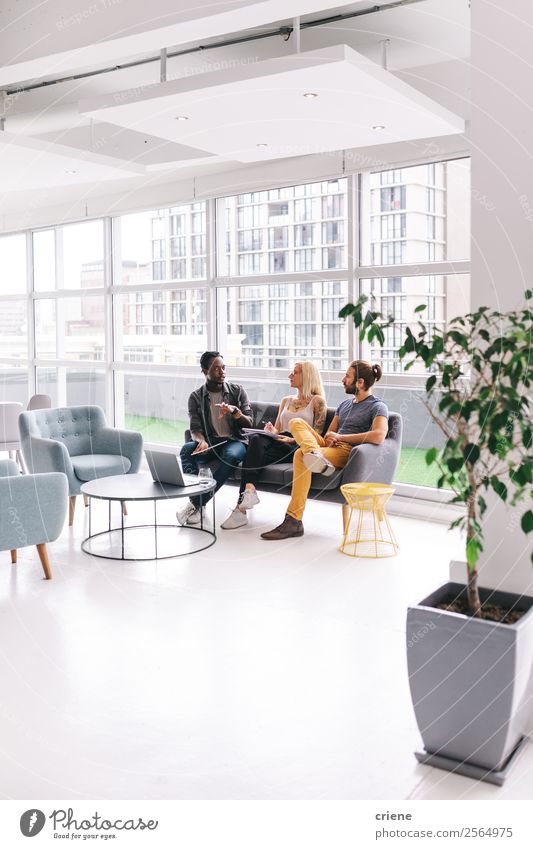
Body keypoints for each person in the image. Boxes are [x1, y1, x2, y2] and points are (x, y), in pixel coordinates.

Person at [261, 360, 389, 541]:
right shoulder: (344, 405)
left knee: (300, 454)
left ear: (360, 383)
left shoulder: (377, 406)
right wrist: (329, 438)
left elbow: (379, 435)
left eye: (347, 376)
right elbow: (330, 432)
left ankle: (293, 521)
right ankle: (315, 454)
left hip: (346, 450)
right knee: (295, 422)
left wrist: (340, 438)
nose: (343, 380)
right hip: (327, 446)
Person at [220, 361, 327, 529]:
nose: (290, 375)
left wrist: (292, 439)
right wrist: (271, 430)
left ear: (306, 376)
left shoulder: (317, 402)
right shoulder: (286, 400)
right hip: (278, 442)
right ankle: (249, 492)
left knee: (253, 456)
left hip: (298, 446)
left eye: (295, 372)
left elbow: (317, 437)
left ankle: (240, 510)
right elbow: (278, 429)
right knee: (255, 438)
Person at [177, 351, 253, 525]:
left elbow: (249, 423)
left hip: (235, 441)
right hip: (212, 442)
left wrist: (235, 412)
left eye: (224, 368)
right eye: (216, 368)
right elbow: (195, 428)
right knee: (186, 450)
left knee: (232, 456)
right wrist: (200, 441)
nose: (222, 372)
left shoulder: (237, 391)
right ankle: (198, 503)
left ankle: (197, 503)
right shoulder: (196, 397)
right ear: (204, 370)